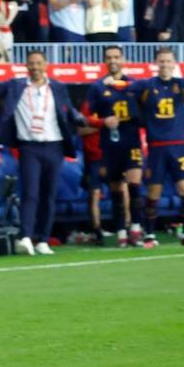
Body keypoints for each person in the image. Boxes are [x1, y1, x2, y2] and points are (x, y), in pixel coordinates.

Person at [104, 48, 184, 247]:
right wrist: (113, 82)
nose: (165, 65)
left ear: (174, 64)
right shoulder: (147, 85)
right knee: (154, 193)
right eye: (162, 61)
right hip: (157, 148)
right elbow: (127, 85)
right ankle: (149, 235)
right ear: (157, 63)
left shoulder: (183, 84)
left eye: (168, 61)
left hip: (180, 147)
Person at [0, 51, 86, 256]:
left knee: (49, 195)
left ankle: (44, 239)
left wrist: (79, 118)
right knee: (30, 193)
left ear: (45, 64)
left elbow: (68, 108)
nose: (35, 67)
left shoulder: (57, 86)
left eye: (38, 63)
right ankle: (26, 237)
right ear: (26, 66)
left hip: (54, 146)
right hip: (29, 147)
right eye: (31, 64)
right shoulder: (16, 85)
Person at [81, 46, 145, 246]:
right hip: (110, 145)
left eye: (116, 57)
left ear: (123, 59)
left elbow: (146, 109)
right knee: (116, 190)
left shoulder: (134, 84)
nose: (113, 61)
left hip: (132, 142)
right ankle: (120, 232)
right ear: (104, 61)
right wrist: (102, 122)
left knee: (134, 185)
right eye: (109, 57)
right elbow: (85, 117)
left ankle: (135, 227)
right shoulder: (97, 87)